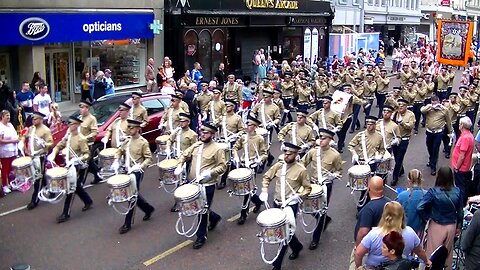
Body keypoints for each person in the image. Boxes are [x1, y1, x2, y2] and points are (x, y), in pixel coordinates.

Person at [259, 142, 311, 270]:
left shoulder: (301, 170)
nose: (287, 156)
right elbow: (267, 177)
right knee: (283, 231)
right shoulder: (278, 166)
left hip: (290, 205)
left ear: (296, 154)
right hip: (277, 203)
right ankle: (297, 246)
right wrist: (264, 190)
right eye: (285, 153)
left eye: (290, 154)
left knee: (284, 234)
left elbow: (307, 188)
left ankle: (277, 265)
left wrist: (298, 196)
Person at [174, 123, 227, 249]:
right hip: (194, 183)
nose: (203, 134)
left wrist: (210, 173)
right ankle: (214, 218)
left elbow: (223, 166)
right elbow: (185, 154)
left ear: (212, 135)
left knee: (201, 210)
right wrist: (179, 164)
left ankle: (201, 236)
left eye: (206, 133)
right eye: (202, 132)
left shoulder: (217, 149)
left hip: (207, 184)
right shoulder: (196, 145)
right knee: (200, 207)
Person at [354, 201, 430, 269]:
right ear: (402, 216)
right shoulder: (410, 232)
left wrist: (359, 267)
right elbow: (419, 251)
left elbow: (358, 253)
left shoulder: (374, 234)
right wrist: (426, 261)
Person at [301, 129, 342, 250]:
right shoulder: (313, 152)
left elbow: (339, 170)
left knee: (321, 210)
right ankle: (326, 219)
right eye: (320, 137)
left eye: (324, 138)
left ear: (330, 140)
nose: (321, 140)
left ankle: (315, 238)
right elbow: (302, 164)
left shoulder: (335, 155)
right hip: (313, 184)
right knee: (308, 208)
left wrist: (334, 175)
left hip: (326, 185)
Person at [47, 116, 93, 223]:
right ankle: (88, 200)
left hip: (76, 166)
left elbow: (87, 154)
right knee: (76, 186)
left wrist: (78, 159)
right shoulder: (68, 136)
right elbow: (59, 145)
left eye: (71, 124)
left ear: (77, 125)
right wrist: (53, 153)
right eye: (69, 124)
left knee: (70, 188)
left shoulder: (81, 139)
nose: (69, 125)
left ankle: (66, 213)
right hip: (68, 164)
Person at [113, 119, 155, 234]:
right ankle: (148, 209)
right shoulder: (127, 141)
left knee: (131, 196)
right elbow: (119, 151)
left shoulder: (143, 142)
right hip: (127, 170)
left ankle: (127, 223)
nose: (129, 129)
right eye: (129, 127)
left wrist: (141, 166)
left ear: (137, 129)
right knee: (134, 194)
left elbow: (149, 158)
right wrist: (116, 160)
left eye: (131, 128)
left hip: (137, 171)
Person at [417, 166, 463, 270]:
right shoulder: (457, 191)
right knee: (447, 253)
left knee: (432, 254)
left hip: (436, 225)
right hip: (451, 225)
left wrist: (427, 217)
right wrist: (459, 226)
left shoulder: (433, 192)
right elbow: (460, 211)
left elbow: (420, 207)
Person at [231, 116, 266, 224]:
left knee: (247, 191)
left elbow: (264, 153)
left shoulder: (259, 138)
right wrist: (236, 156)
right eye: (247, 124)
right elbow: (235, 147)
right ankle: (258, 201)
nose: (248, 127)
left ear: (255, 127)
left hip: (252, 166)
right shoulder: (243, 137)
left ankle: (243, 214)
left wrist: (259, 160)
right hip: (242, 164)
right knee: (244, 189)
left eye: (250, 125)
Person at [350, 176, 389, 270]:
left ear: (369, 189)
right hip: (384, 245)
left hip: (370, 246)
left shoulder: (368, 209)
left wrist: (357, 246)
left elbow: (363, 231)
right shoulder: (389, 202)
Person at [21, 112, 53, 210]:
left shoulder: (45, 130)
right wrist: (23, 144)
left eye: (35, 119)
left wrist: (44, 144)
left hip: (40, 157)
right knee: (41, 176)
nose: (33, 121)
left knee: (38, 178)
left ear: (40, 119)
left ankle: (34, 200)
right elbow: (24, 136)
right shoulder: (31, 129)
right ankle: (51, 190)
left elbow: (51, 143)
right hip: (32, 156)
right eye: (33, 119)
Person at [421, 95, 453, 175]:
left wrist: (450, 132)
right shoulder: (429, 108)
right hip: (429, 132)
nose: (435, 105)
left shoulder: (444, 110)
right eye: (433, 103)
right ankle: (431, 158)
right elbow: (422, 110)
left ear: (439, 102)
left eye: (436, 103)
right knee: (429, 147)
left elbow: (448, 121)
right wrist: (431, 106)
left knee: (435, 148)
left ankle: (433, 166)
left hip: (438, 132)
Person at [76, 100, 102, 185]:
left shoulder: (91, 119)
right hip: (80, 145)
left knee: (84, 164)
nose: (81, 109)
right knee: (89, 163)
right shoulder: (80, 118)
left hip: (88, 145)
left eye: (82, 107)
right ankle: (97, 175)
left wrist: (85, 138)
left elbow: (95, 132)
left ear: (87, 108)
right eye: (80, 107)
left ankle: (80, 182)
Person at [391, 99, 415, 185]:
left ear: (406, 106)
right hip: (395, 139)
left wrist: (402, 122)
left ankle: (395, 177)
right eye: (399, 105)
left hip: (404, 139)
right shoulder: (395, 113)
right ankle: (401, 170)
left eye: (403, 105)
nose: (401, 106)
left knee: (399, 158)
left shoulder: (410, 115)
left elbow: (410, 126)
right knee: (397, 156)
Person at [396, 169, 426, 236]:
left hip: (404, 231)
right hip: (420, 230)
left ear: (408, 179)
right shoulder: (426, 195)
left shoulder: (402, 196)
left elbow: (395, 213)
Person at [452, 116, 474, 206]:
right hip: (464, 167)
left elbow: (462, 155)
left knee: (460, 187)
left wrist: (457, 167)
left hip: (461, 168)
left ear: (462, 125)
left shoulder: (466, 138)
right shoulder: (467, 135)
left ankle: (461, 204)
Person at [0, 110, 19, 194]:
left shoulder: (10, 125)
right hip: (5, 152)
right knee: (5, 169)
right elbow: (0, 140)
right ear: (2, 116)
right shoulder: (0, 126)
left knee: (12, 169)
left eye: (9, 115)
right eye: (7, 115)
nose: (9, 117)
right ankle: (5, 185)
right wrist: (12, 141)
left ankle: (12, 184)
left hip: (13, 150)